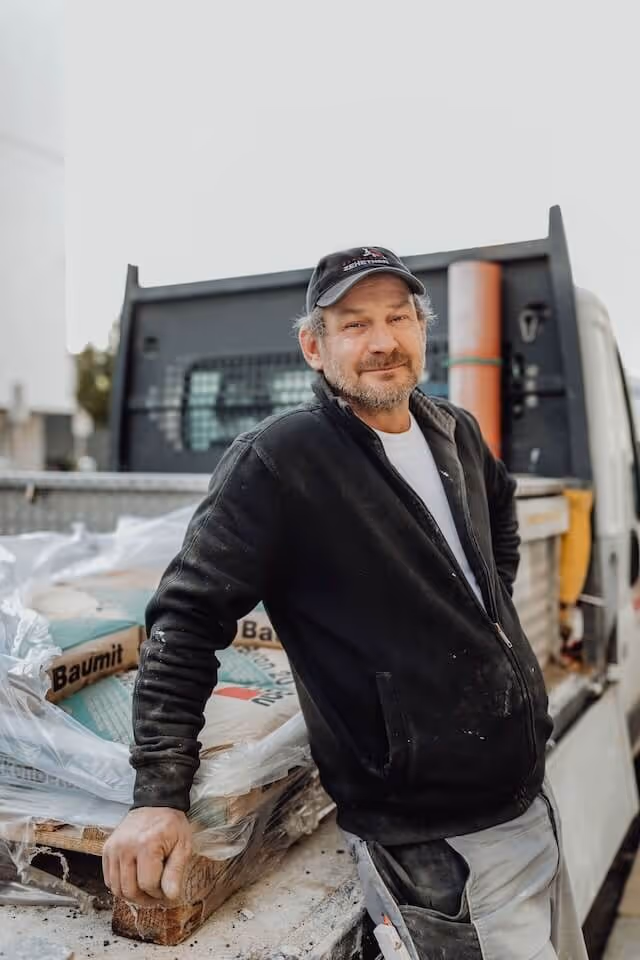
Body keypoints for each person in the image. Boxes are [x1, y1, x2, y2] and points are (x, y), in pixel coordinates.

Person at [103, 247, 588, 959]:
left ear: (424, 329)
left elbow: (502, 515)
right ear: (313, 345)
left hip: (524, 796)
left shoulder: (452, 430)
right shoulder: (280, 462)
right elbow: (185, 617)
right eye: (355, 324)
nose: (384, 340)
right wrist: (157, 793)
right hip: (430, 838)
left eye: (399, 317)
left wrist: (484, 630)